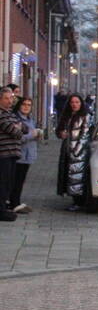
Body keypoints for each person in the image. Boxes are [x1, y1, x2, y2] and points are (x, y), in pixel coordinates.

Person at [56, 93, 91, 212]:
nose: (74, 104)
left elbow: (85, 134)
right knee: (69, 175)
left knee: (77, 177)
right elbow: (59, 130)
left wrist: (76, 151)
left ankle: (79, 202)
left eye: (77, 102)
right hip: (66, 149)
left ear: (81, 103)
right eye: (72, 102)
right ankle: (74, 200)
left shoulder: (85, 115)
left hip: (78, 153)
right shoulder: (67, 115)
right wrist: (61, 134)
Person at [0, 87, 29, 222]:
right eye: (6, 98)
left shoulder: (10, 113)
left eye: (11, 98)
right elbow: (15, 131)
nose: (10, 101)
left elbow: (25, 128)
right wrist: (18, 127)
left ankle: (4, 208)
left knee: (9, 182)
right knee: (3, 183)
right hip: (3, 154)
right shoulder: (1, 114)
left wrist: (19, 127)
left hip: (13, 154)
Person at [9, 96, 42, 214]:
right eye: (24, 104)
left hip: (29, 155)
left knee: (21, 180)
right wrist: (32, 135)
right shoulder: (16, 119)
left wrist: (37, 136)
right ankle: (14, 203)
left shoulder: (30, 120)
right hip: (19, 155)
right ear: (19, 105)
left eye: (29, 105)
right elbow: (18, 137)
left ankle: (16, 201)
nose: (26, 107)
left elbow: (33, 135)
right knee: (15, 181)